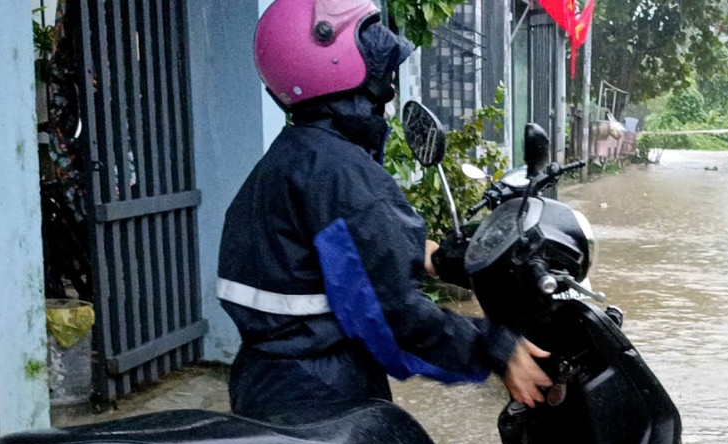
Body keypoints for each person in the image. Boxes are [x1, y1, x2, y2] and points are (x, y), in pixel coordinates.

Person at [217, 0, 551, 420]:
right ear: (336, 57)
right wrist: (493, 346)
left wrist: (432, 256)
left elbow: (332, 262)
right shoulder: (340, 173)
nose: (389, 78)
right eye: (377, 55)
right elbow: (390, 314)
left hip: (268, 382)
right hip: (323, 399)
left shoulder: (287, 163)